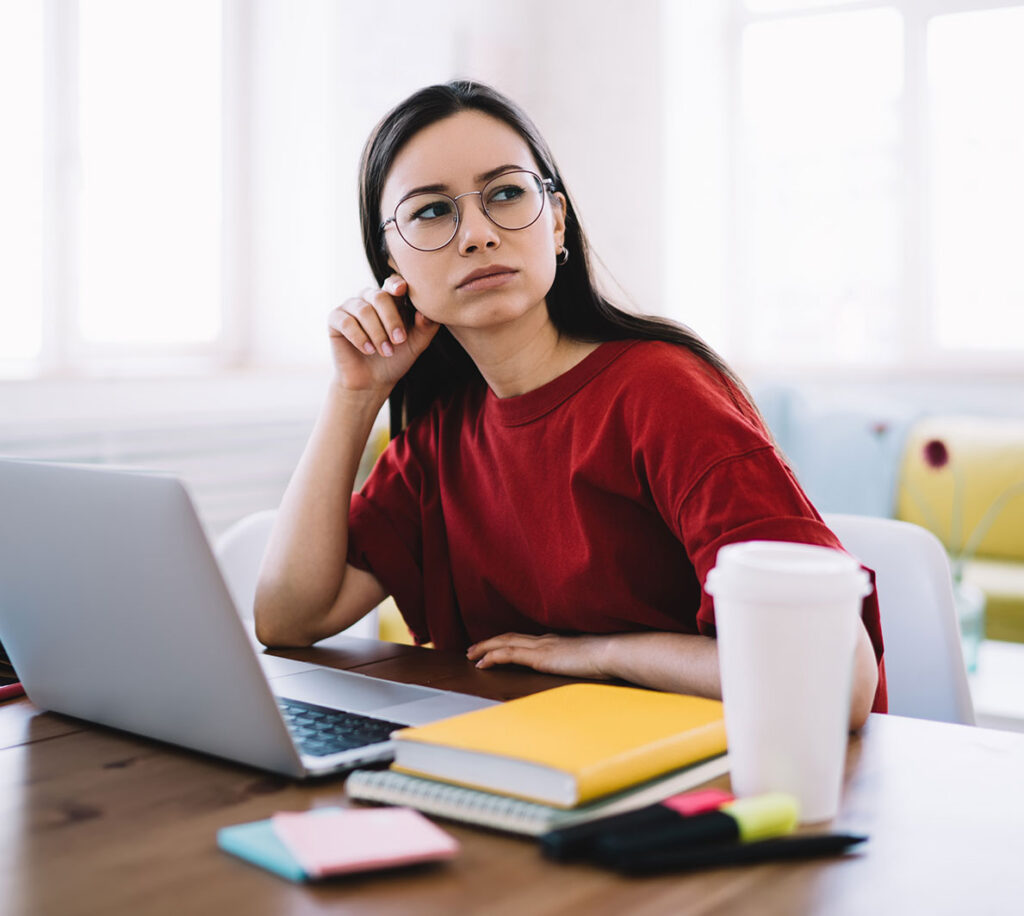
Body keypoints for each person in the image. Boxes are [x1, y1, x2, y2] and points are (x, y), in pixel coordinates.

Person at [254, 80, 886, 729]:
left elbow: (838, 675)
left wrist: (605, 655)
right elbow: (289, 619)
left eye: (505, 194)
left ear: (555, 220)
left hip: (712, 784)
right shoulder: (441, 436)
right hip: (526, 766)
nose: (476, 234)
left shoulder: (663, 393)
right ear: (391, 261)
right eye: (432, 211)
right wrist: (354, 395)